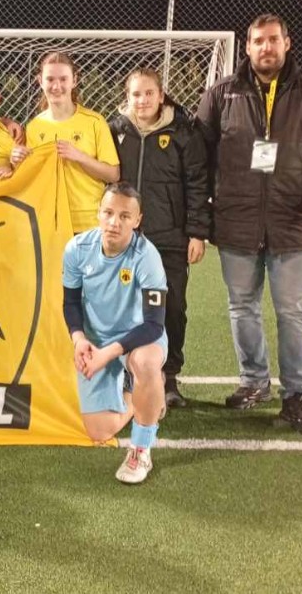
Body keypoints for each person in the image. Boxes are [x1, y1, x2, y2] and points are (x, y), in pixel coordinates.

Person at [196, 13, 302, 435]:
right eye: (259, 41)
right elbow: (197, 155)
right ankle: (254, 382)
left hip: (293, 221)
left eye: (273, 40)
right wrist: (202, 215)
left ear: (287, 43)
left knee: (292, 310)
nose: (266, 47)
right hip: (236, 220)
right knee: (242, 307)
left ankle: (297, 395)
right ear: (247, 47)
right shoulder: (222, 93)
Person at [109, 68, 210, 408]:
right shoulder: (114, 130)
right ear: (127, 97)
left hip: (170, 238)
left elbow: (197, 183)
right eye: (136, 94)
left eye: (149, 93)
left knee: (172, 308)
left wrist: (197, 232)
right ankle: (126, 374)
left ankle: (168, 377)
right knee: (124, 308)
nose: (142, 100)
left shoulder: (182, 132)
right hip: (125, 241)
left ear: (161, 95)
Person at [63, 182, 168, 484]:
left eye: (124, 216)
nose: (114, 222)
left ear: (137, 220)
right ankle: (149, 392)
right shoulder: (77, 249)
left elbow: (154, 324)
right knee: (99, 430)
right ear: (98, 212)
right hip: (96, 341)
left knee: (145, 363)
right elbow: (70, 303)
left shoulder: (147, 256)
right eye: (108, 213)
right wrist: (79, 340)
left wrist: (108, 354)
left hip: (139, 338)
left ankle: (140, 449)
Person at [11, 52, 120, 232]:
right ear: (40, 81)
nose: (56, 86)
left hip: (88, 222)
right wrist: (17, 162)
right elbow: (31, 176)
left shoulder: (95, 121)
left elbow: (113, 175)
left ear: (74, 80)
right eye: (50, 79)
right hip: (49, 221)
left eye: (63, 79)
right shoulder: (34, 126)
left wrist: (80, 157)